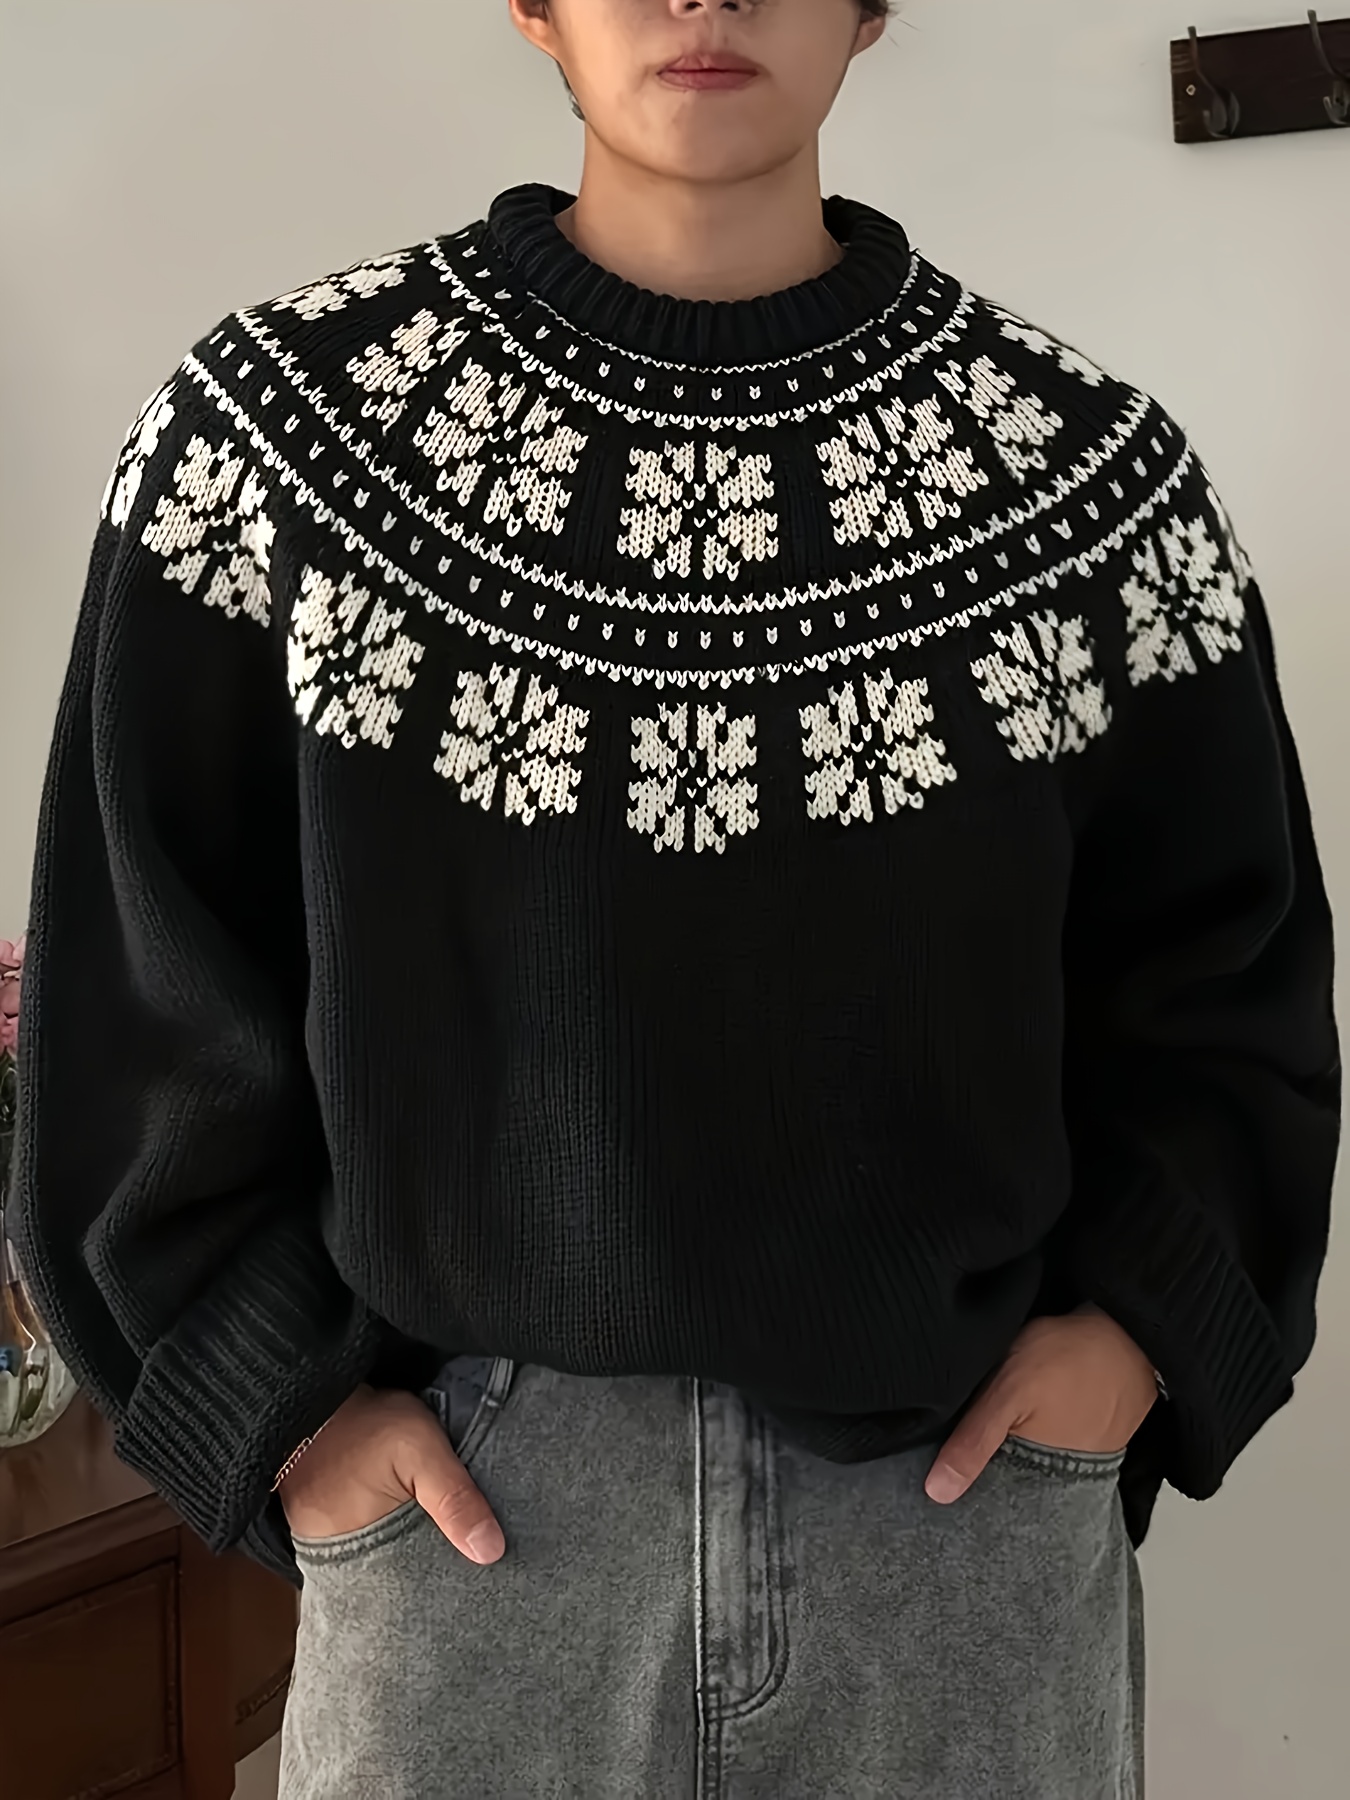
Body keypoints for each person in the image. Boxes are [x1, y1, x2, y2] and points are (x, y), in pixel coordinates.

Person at [11, 1, 1340, 1794]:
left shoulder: (1090, 485)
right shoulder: (267, 451)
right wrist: (282, 1417)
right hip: (462, 1541)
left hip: (959, 1532)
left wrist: (1136, 1341)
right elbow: (139, 996)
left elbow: (1229, 993)